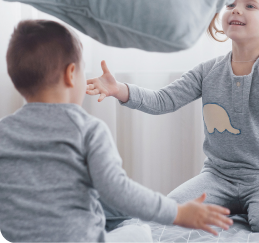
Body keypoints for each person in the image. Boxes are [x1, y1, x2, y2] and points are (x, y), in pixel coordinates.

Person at [86, 0, 259, 234]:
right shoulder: (207, 71)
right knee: (170, 213)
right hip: (219, 176)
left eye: (250, 6)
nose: (236, 9)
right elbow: (163, 100)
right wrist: (121, 90)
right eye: (230, 4)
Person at [0, 20, 233, 243]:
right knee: (138, 230)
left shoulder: (4, 131)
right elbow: (118, 191)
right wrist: (178, 212)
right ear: (71, 74)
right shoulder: (87, 130)